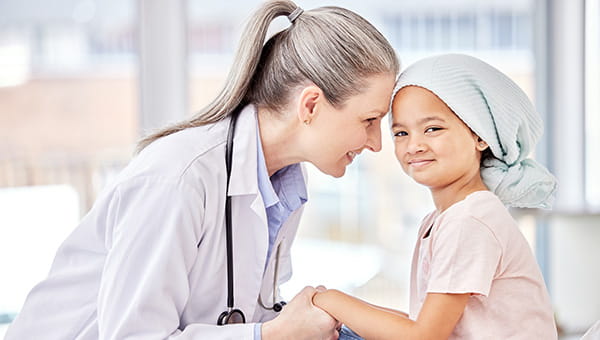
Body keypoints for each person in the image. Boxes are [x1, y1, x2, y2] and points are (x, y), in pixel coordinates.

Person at [5, 1, 399, 339]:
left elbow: (236, 312)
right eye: (369, 120)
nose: (376, 143)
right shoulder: (177, 178)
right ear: (310, 106)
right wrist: (272, 333)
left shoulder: (284, 184)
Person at [313, 53, 559, 339]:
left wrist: (329, 300)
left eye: (433, 129)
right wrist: (337, 305)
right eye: (401, 133)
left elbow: (424, 336)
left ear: (480, 136)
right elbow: (419, 322)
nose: (414, 145)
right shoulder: (446, 218)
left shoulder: (469, 220)